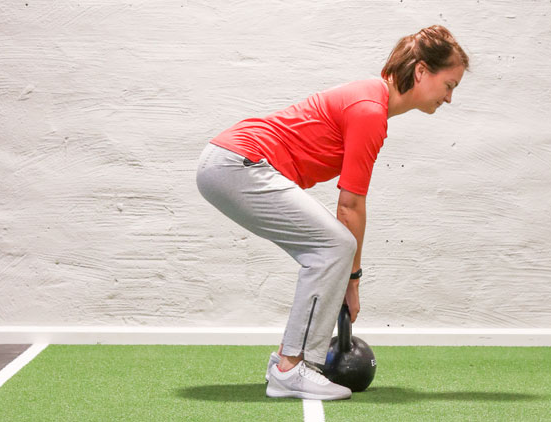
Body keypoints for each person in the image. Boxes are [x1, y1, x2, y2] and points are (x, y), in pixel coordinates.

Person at [196, 24, 469, 400]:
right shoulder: (370, 110)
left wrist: (344, 278)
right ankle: (290, 369)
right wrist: (351, 281)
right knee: (333, 246)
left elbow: (349, 209)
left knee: (329, 247)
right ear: (422, 72)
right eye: (450, 85)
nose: (450, 98)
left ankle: (290, 364)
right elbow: (351, 205)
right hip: (237, 165)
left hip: (229, 163)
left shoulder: (371, 103)